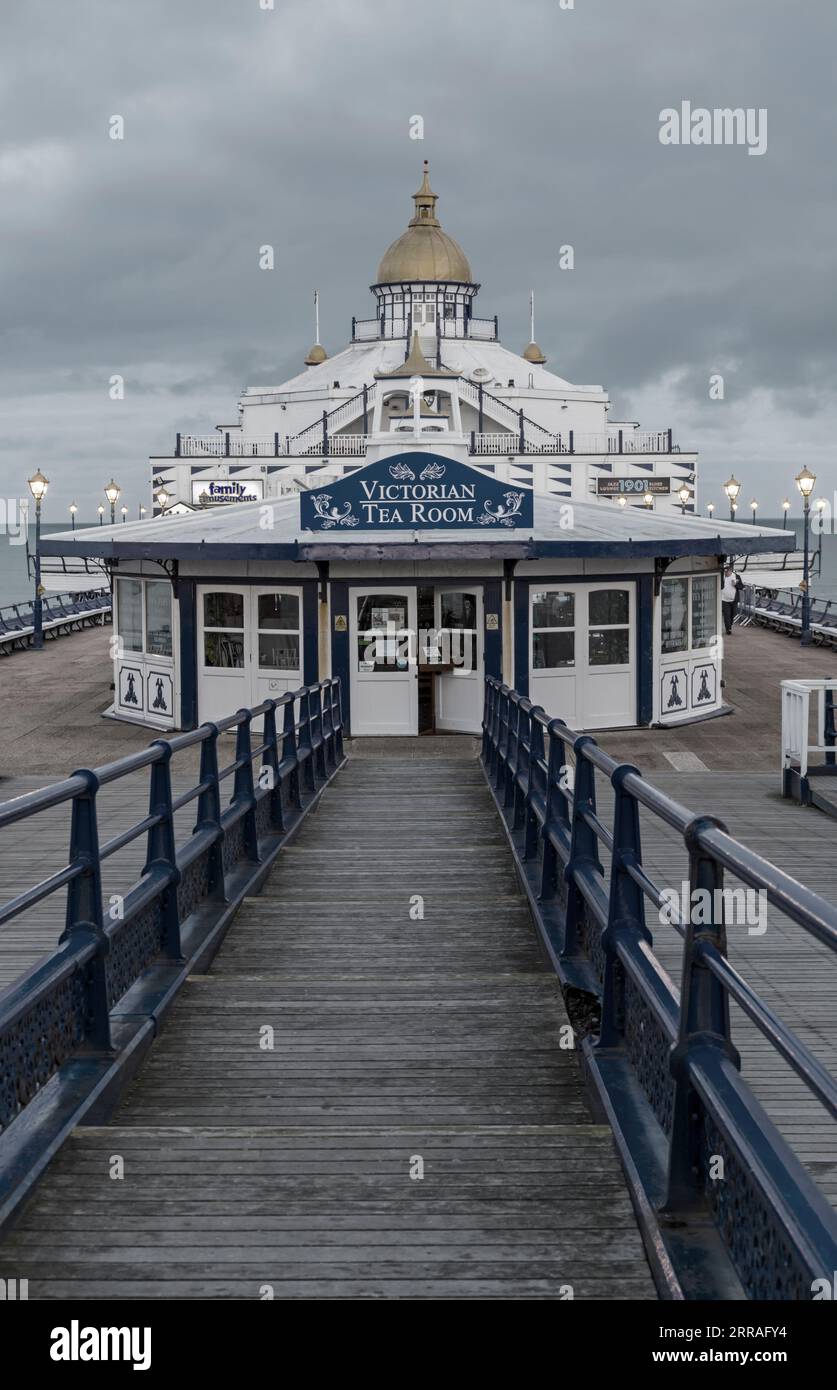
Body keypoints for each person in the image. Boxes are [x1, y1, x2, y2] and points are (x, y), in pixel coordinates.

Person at [721, 564, 743, 635]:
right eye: (725, 572)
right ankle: (728, 629)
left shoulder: (736, 576)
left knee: (733, 614)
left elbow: (741, 587)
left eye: (727, 572)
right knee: (727, 615)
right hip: (724, 599)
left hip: (734, 600)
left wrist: (735, 584)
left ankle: (730, 625)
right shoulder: (722, 576)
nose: (726, 573)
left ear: (731, 571)